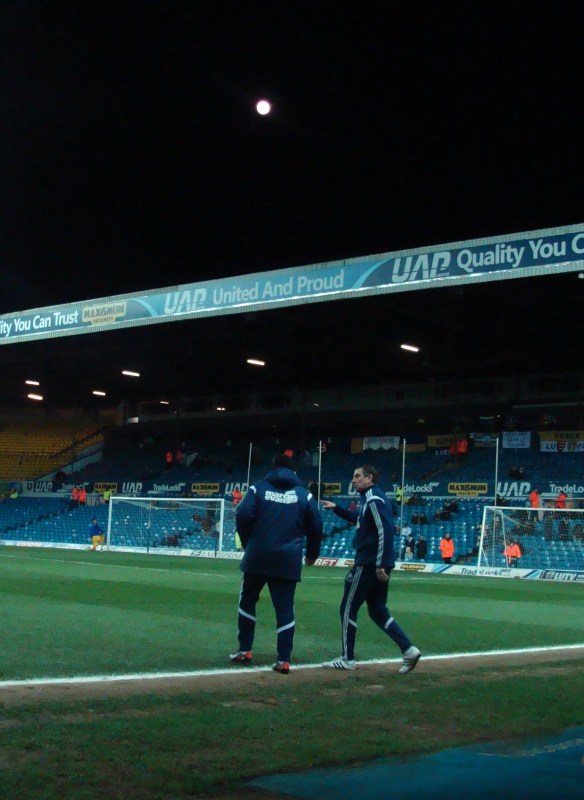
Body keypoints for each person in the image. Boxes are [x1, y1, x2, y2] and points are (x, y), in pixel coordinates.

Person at [320, 464, 421, 674]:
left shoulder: (374, 498)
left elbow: (384, 529)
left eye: (357, 476)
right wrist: (336, 508)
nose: (353, 480)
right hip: (375, 562)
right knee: (377, 610)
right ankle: (409, 649)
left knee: (348, 608)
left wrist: (380, 563)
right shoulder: (370, 498)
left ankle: (347, 658)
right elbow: (360, 520)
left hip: (369, 563)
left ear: (370, 478)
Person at [230, 453, 322, 674]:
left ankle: (244, 650)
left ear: (273, 468)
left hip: (258, 556)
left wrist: (247, 541)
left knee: (248, 600)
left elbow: (242, 514)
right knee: (284, 607)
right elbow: (316, 525)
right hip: (287, 559)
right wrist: (312, 554)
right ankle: (283, 659)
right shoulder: (304, 494)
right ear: (294, 471)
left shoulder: (258, 489)